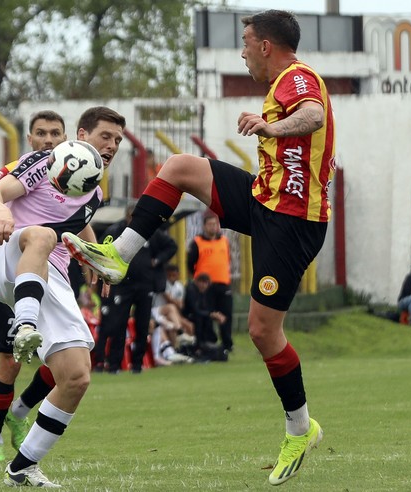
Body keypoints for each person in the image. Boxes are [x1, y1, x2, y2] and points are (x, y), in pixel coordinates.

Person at [62, 10, 334, 486]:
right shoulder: (280, 85)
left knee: (263, 331)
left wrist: (272, 128)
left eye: (246, 42)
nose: (243, 51)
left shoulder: (298, 78)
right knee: (181, 167)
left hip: (294, 223)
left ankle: (300, 427)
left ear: (266, 45)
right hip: (262, 199)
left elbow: (313, 116)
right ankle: (119, 255)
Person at [0, 106, 126, 487]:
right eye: (106, 136)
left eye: (118, 140)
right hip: (10, 256)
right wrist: (1, 211)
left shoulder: (96, 189)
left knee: (76, 376)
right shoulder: (43, 160)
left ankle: (22, 465)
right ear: (82, 135)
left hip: (51, 276)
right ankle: (25, 325)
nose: (113, 145)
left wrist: (98, 260)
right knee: (42, 235)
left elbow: (79, 229)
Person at [0, 110, 71, 462]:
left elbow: (79, 222)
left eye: (55, 133)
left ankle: (19, 411)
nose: (48, 139)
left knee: (66, 358)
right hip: (13, 270)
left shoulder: (74, 173)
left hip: (56, 270)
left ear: (65, 137)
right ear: (30, 138)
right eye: (41, 133)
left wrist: (95, 256)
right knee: (10, 362)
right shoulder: (17, 171)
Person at [92, 203, 177, 374]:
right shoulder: (116, 231)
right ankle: (114, 364)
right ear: (126, 217)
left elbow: (171, 246)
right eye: (132, 217)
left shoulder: (149, 232)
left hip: (145, 285)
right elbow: (102, 250)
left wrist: (157, 260)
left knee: (143, 324)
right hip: (123, 285)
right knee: (118, 323)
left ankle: (137, 364)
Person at [187, 210, 234, 351]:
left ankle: (227, 344)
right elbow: (190, 263)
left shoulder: (224, 241)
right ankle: (208, 341)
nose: (213, 227)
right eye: (210, 224)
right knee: (207, 313)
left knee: (226, 315)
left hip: (223, 283)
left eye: (215, 224)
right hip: (205, 286)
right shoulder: (197, 242)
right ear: (204, 226)